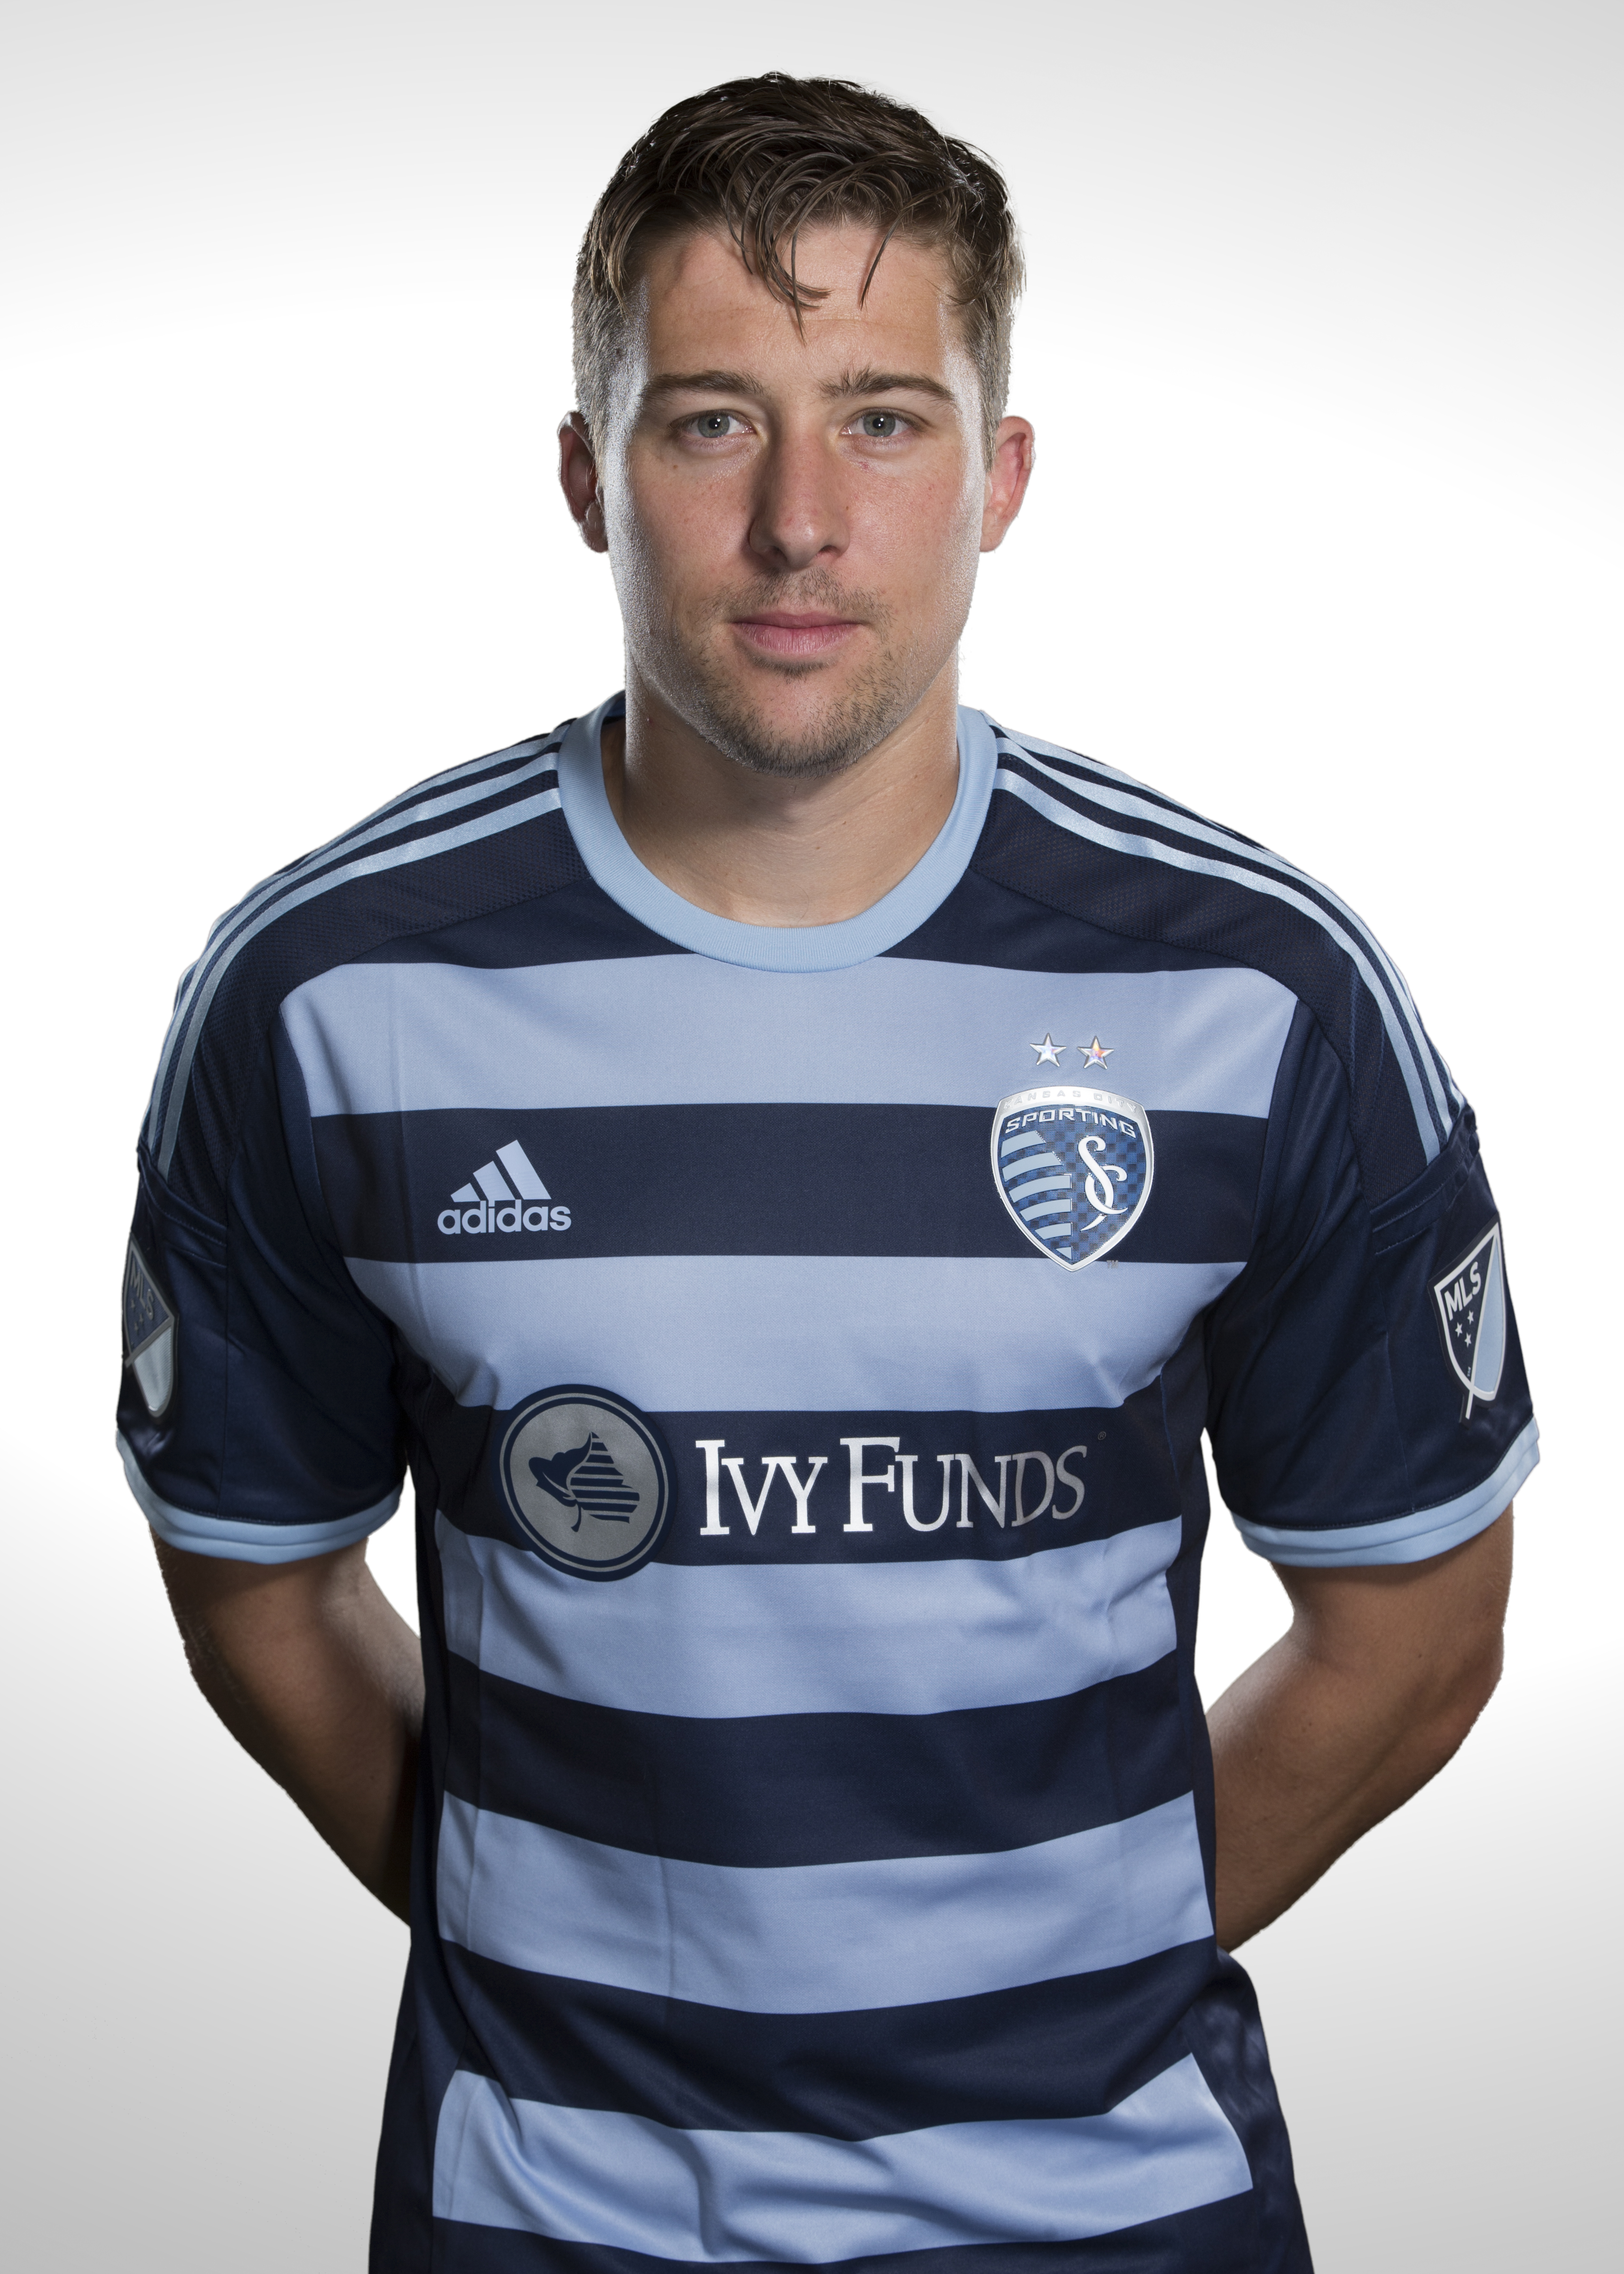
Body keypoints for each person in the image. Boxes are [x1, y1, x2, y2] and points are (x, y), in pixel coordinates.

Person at [117, 72, 1537, 2274]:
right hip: (543, 2217)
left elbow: (1418, 1630)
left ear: (1002, 476)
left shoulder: (1262, 994)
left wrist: (1056, 1984)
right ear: (586, 474)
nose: (802, 520)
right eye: (711, 423)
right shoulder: (327, 990)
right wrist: (562, 1954)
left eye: (883, 418)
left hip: (1118, 2215)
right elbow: (260, 1590)